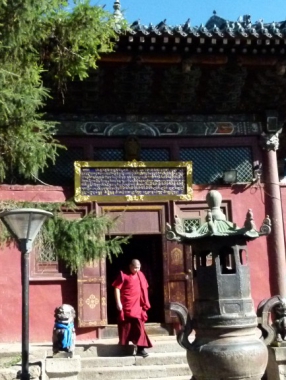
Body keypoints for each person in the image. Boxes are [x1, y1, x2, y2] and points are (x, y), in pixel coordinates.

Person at [112, 259, 153, 357]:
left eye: (138, 268)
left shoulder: (141, 275)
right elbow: (117, 288)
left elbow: (144, 288)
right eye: (134, 267)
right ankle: (125, 348)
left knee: (139, 325)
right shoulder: (123, 275)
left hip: (138, 306)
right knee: (127, 326)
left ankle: (141, 348)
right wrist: (118, 302)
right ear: (130, 266)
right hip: (127, 305)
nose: (136, 270)